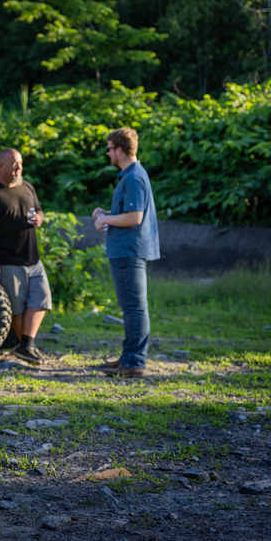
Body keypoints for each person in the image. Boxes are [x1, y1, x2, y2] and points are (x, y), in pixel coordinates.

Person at [0, 148, 53, 364]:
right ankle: (25, 346)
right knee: (16, 307)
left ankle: (26, 344)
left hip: (33, 259)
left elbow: (39, 210)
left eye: (20, 163)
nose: (18, 167)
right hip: (7, 260)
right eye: (14, 164)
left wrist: (39, 217)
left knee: (41, 300)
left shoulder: (27, 187)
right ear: (1, 166)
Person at [92, 127, 160, 378]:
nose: (108, 153)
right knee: (131, 306)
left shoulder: (132, 177)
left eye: (109, 148)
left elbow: (134, 217)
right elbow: (128, 214)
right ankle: (129, 356)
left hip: (129, 250)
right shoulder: (130, 175)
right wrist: (106, 215)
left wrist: (103, 221)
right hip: (127, 249)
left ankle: (134, 362)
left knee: (134, 307)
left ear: (119, 149)